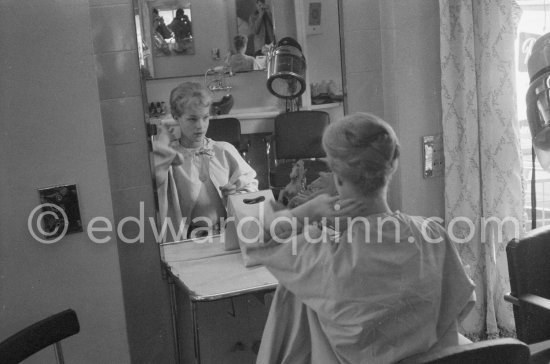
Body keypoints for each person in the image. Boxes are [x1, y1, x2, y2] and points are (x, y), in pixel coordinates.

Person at [243, 112, 475, 363]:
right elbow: (461, 305)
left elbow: (258, 239)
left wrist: (304, 212)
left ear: (337, 174)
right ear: (392, 165)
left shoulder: (324, 255)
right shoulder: (433, 235)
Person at [153, 82, 258, 240]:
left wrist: (235, 196)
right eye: (192, 119)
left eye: (205, 117)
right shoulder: (171, 160)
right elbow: (157, 195)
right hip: (188, 241)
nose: (200, 126)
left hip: (226, 237)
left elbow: (252, 191)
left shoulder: (224, 151)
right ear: (176, 117)